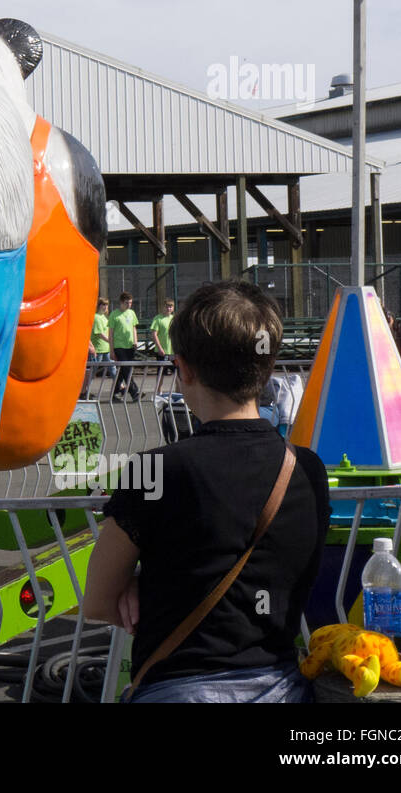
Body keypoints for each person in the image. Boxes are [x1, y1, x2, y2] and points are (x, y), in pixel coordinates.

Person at [82, 281, 331, 703]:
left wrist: (145, 584)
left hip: (178, 688)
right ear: (267, 368)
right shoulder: (308, 470)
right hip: (282, 687)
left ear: (185, 368)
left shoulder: (155, 469)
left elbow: (98, 601)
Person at [108, 292, 140, 401]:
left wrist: (135, 341)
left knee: (123, 370)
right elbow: (110, 334)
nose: (129, 305)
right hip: (119, 346)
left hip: (130, 345)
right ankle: (135, 392)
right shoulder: (114, 315)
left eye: (130, 303)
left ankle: (116, 392)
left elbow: (134, 328)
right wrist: (111, 350)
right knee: (127, 369)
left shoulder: (131, 313)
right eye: (127, 303)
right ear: (121, 302)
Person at [83, 297, 111, 398]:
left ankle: (121, 388)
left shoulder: (105, 318)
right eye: (103, 305)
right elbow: (99, 333)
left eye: (106, 305)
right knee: (92, 372)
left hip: (106, 349)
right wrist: (109, 341)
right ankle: (85, 391)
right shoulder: (96, 317)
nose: (105, 307)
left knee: (113, 369)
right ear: (98, 306)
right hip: (98, 349)